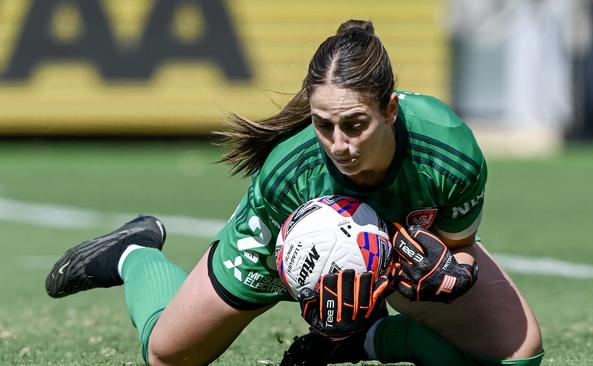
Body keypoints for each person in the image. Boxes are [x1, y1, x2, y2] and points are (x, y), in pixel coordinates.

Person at [45, 20, 544, 366]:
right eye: (324, 125)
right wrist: (326, 314)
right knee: (167, 355)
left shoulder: (448, 153)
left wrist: (448, 273)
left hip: (390, 252)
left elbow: (457, 250)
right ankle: (132, 252)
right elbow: (297, 274)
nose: (340, 145)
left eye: (355, 124)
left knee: (518, 355)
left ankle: (373, 340)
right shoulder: (290, 173)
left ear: (390, 109)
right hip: (281, 249)